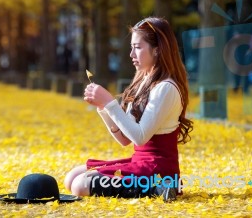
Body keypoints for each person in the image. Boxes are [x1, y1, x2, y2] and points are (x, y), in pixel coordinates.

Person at [64, 17, 193, 201]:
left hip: (158, 170)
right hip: (140, 162)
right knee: (71, 178)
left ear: (157, 50)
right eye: (131, 47)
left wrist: (110, 103)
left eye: (138, 48)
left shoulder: (166, 88)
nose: (131, 54)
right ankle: (153, 187)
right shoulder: (143, 81)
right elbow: (125, 139)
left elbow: (139, 137)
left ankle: (158, 188)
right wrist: (103, 107)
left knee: (79, 185)